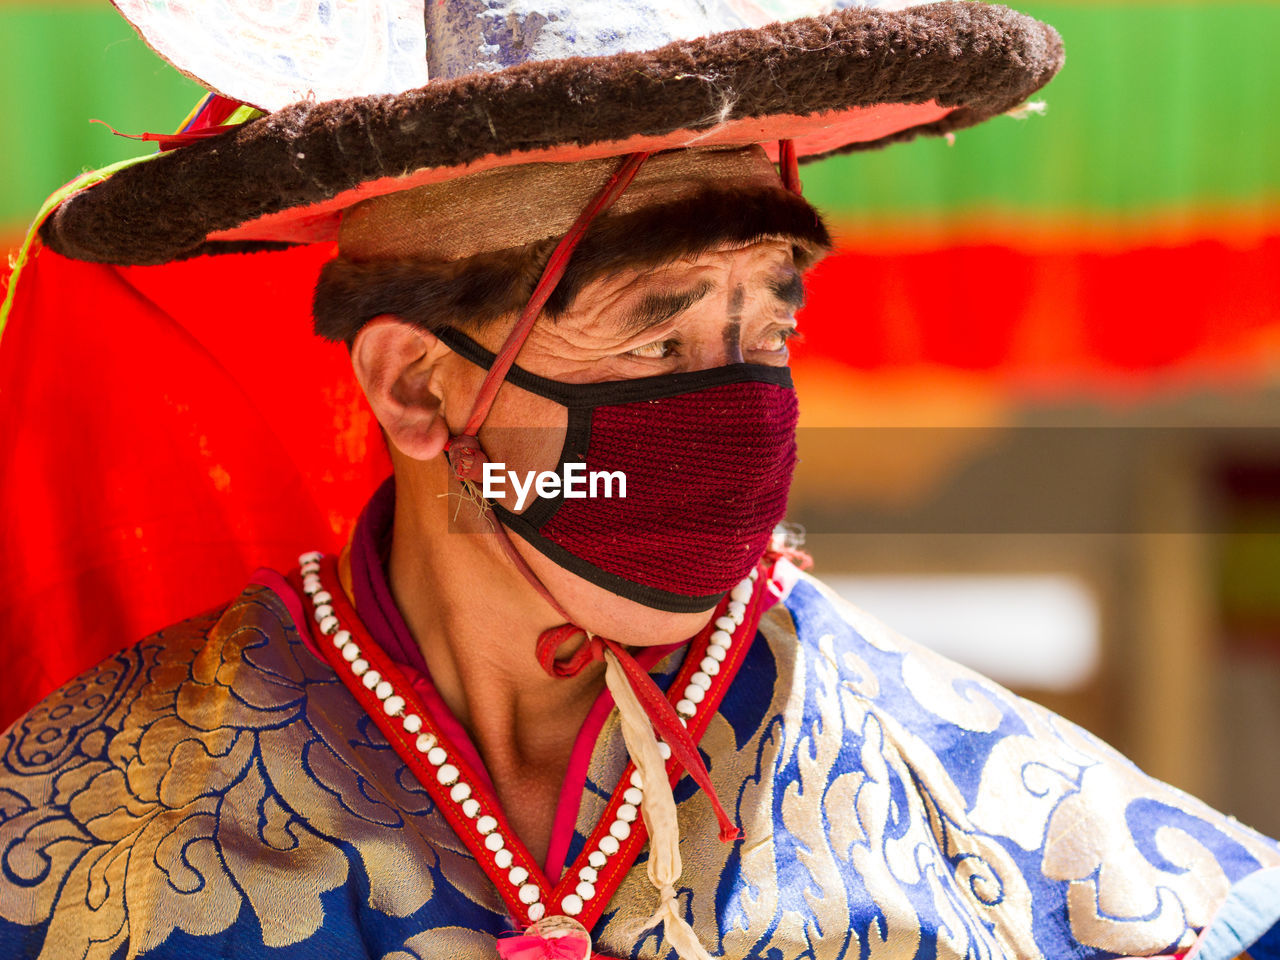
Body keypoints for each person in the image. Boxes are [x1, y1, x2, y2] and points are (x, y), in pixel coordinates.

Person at [2, 2, 1278, 958]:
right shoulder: (69, 839)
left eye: (768, 325)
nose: (731, 408)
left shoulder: (1073, 869)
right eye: (655, 334)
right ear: (415, 388)